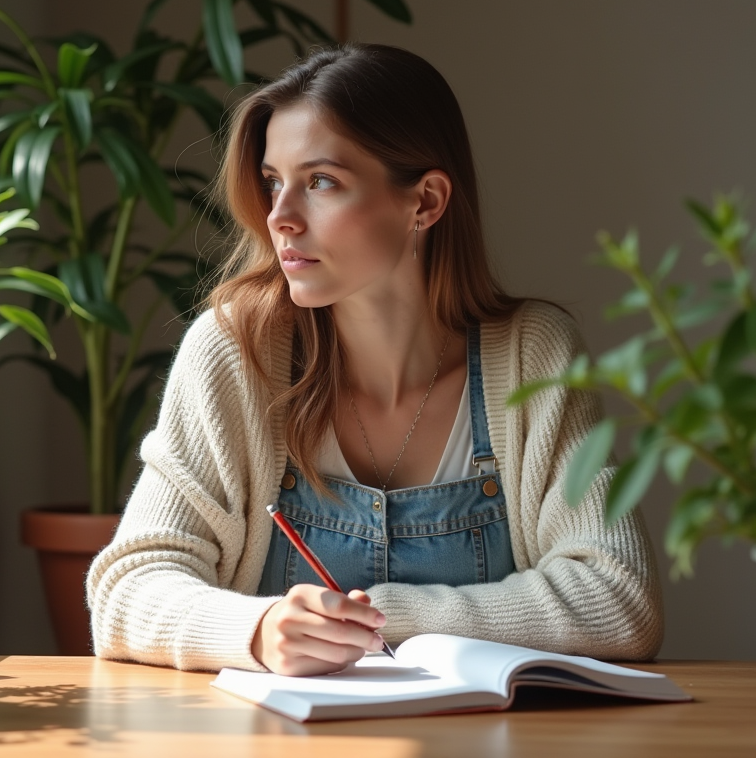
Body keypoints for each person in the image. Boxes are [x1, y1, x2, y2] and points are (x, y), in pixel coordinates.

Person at [87, 43, 664, 677]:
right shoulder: (235, 350)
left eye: (321, 182)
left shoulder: (534, 354)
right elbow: (126, 591)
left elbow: (620, 599)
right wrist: (258, 630)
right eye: (274, 182)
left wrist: (377, 619)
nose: (279, 217)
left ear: (426, 202)